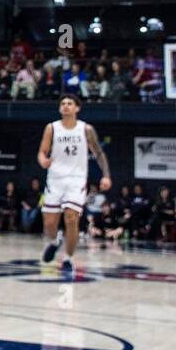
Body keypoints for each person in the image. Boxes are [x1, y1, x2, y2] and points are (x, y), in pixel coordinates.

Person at [36, 94, 110, 272]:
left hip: (76, 180)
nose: (66, 106)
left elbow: (99, 153)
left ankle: (68, 258)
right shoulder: (52, 128)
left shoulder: (86, 129)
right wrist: (43, 161)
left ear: (77, 108)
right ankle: (54, 242)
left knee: (71, 218)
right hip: (55, 179)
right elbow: (42, 152)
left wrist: (106, 175)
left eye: (70, 103)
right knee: (49, 223)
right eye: (63, 103)